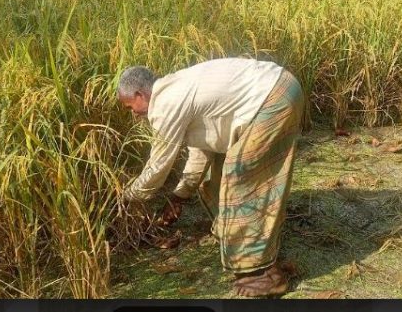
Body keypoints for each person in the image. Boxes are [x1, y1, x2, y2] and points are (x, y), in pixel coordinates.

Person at [118, 57, 305, 297]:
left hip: (272, 98)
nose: (133, 114)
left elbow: (158, 167)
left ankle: (263, 274)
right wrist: (179, 196)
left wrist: (125, 197)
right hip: (279, 87)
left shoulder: (165, 103)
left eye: (129, 106)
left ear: (139, 95)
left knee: (241, 180)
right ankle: (235, 235)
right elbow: (201, 152)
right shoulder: (177, 90)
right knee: (216, 173)